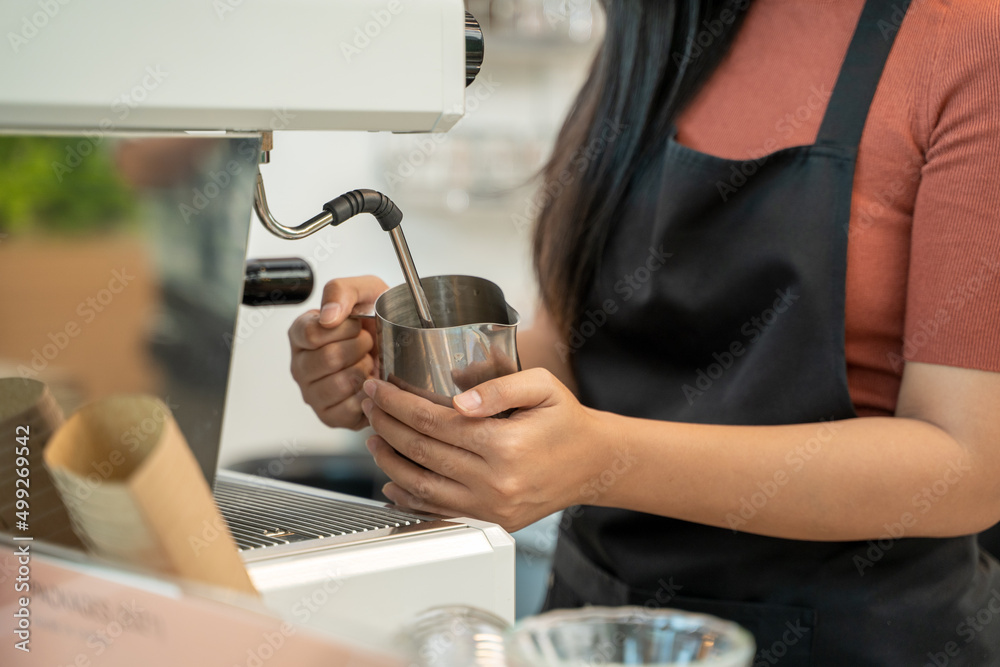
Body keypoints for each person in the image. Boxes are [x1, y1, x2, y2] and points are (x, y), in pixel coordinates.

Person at [288, 0, 1000, 663]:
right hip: (598, 624)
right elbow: (575, 350)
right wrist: (409, 363)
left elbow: (969, 464)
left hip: (853, 635)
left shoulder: (967, 41)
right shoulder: (653, 32)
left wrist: (600, 461)